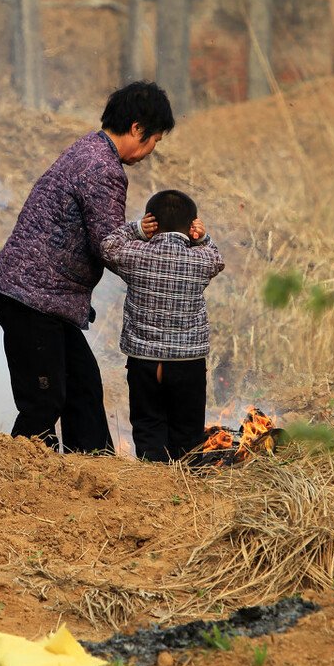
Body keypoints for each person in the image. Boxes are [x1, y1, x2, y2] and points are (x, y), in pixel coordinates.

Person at [0, 81, 174, 453]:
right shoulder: (105, 169)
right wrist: (165, 269)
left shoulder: (88, 148)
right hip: (33, 299)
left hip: (42, 298)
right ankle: (17, 483)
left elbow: (105, 233)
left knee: (83, 389)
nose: (152, 150)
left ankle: (94, 474)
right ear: (138, 128)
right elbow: (109, 246)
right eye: (154, 140)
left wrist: (136, 234)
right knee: (44, 402)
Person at [100, 190, 224, 462]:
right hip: (186, 362)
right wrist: (203, 238)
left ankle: (152, 486)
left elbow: (107, 246)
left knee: (147, 426)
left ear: (151, 222)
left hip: (143, 361)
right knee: (187, 435)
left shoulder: (136, 254)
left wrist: (136, 229)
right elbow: (217, 259)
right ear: (192, 225)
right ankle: (184, 492)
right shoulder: (200, 258)